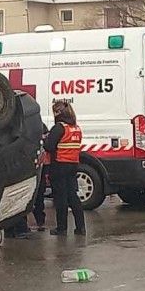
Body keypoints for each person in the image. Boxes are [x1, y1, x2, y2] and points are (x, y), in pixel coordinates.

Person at [44, 101, 86, 236]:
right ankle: (80, 227)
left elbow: (49, 146)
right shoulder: (76, 128)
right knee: (73, 195)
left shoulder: (59, 128)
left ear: (58, 113)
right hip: (73, 164)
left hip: (59, 165)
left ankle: (62, 228)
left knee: (61, 197)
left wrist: (46, 139)